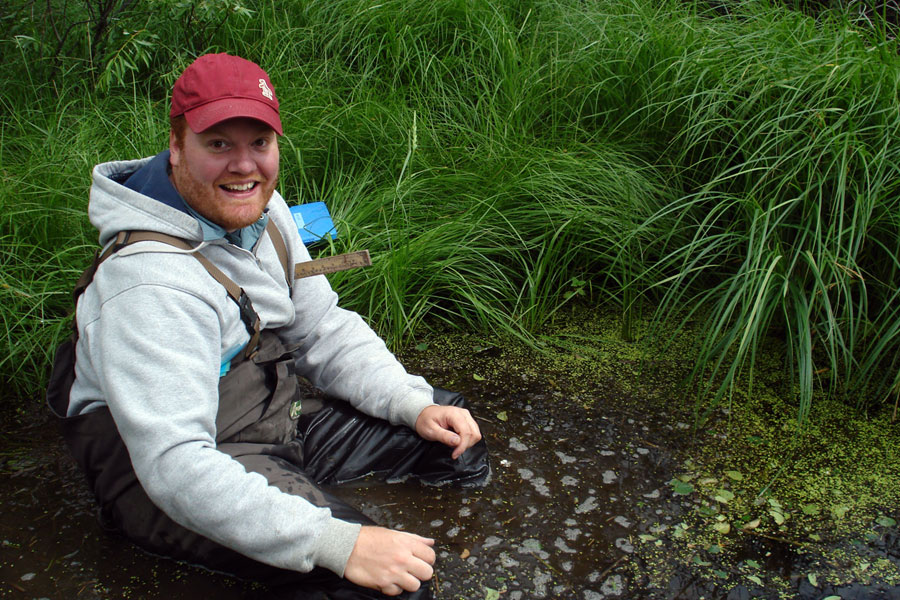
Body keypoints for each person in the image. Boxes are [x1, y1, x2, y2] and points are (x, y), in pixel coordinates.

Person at [46, 53, 490, 600]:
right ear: (177, 144)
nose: (244, 166)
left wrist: (411, 402)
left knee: (453, 439)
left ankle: (298, 502)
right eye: (219, 144)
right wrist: (338, 542)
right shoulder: (145, 287)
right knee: (392, 591)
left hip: (270, 414)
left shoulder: (265, 210)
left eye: (259, 143)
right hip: (172, 468)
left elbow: (321, 324)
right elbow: (177, 467)